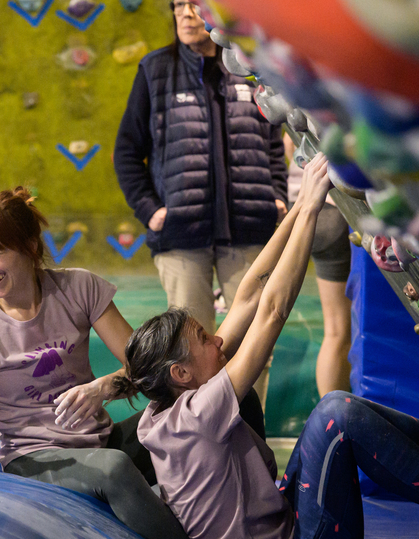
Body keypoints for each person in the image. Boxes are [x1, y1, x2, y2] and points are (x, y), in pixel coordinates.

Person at [120, 155, 419, 539]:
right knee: (336, 415)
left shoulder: (166, 405)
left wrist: (299, 207)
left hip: (290, 525)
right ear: (181, 373)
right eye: (203, 338)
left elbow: (248, 295)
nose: (216, 340)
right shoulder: (195, 417)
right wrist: (309, 209)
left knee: (337, 411)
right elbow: (271, 311)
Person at [0, 187, 273, 539]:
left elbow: (147, 369)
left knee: (231, 399)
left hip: (100, 439)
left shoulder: (77, 288)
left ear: (28, 246)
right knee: (115, 470)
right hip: (35, 459)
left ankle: (266, 506)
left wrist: (102, 387)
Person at [113, 0, 288, 409]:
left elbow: (272, 142)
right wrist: (151, 211)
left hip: (248, 227)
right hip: (181, 235)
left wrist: (277, 196)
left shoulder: (250, 65)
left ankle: (249, 432)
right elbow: (126, 151)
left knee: (256, 343)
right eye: (177, 5)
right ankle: (197, 435)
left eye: (193, 3)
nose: (185, 13)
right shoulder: (154, 69)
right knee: (189, 355)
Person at [283, 133, 352, 395]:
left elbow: (288, 144)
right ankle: (337, 409)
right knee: (341, 331)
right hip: (336, 205)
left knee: (333, 330)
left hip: (304, 203)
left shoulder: (302, 109)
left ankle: (331, 409)